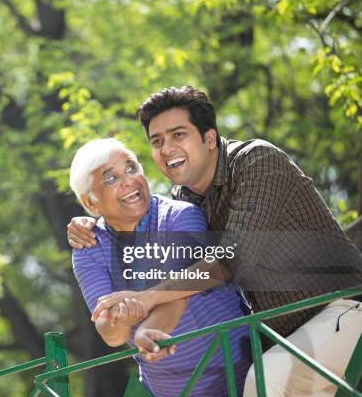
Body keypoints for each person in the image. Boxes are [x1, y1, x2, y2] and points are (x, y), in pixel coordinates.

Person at [67, 86, 362, 396]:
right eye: (157, 141)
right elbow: (181, 279)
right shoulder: (186, 198)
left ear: (209, 138)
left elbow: (230, 259)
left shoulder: (257, 161)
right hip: (281, 336)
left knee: (266, 381)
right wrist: (90, 221)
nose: (167, 149)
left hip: (340, 308)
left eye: (178, 135)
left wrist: (145, 298)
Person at [69, 138, 251, 397]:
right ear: (91, 203)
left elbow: (184, 287)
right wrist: (121, 316)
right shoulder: (89, 248)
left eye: (131, 168)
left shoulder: (179, 216)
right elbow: (112, 335)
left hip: (242, 373)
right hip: (171, 390)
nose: (129, 180)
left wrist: (146, 324)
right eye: (110, 179)